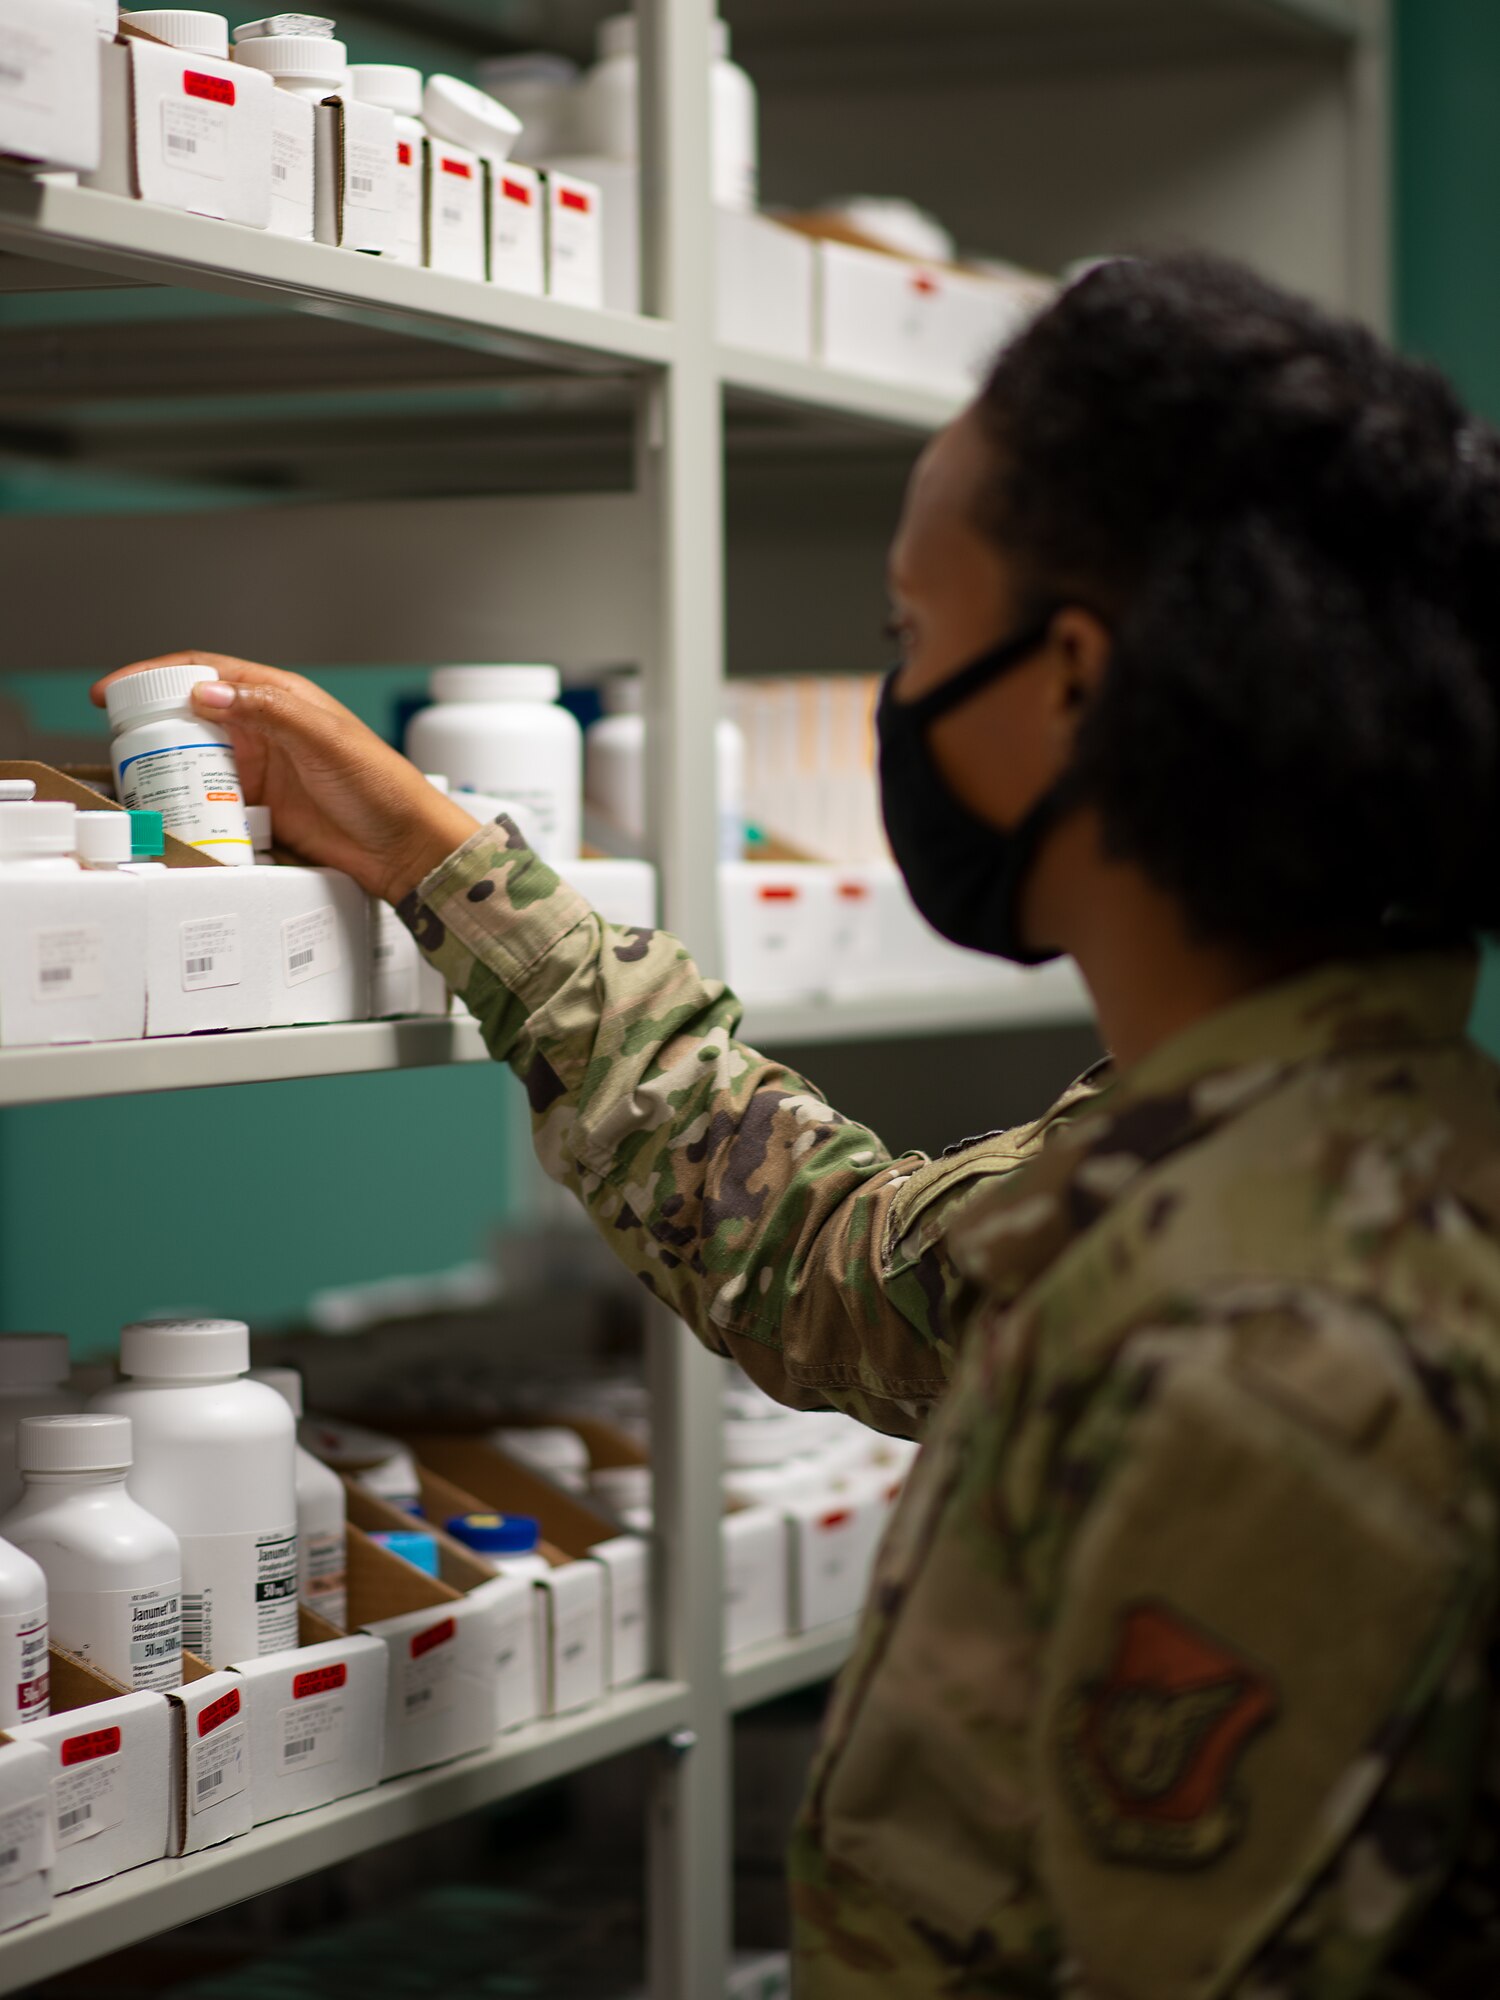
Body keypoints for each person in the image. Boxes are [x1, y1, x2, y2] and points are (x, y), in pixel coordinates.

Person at [96, 255, 1500, 1998]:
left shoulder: (1270, 1346)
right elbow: (843, 1260)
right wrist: (439, 862)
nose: (897, 700)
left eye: (913, 635)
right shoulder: (1270, 1151)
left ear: (1073, 684)